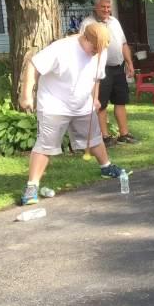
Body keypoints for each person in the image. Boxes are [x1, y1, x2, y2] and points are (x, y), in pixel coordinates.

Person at [18, 23, 129, 205]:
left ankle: (106, 167)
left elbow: (97, 76)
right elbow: (33, 65)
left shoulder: (100, 51)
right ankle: (32, 186)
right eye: (94, 49)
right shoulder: (62, 49)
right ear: (85, 38)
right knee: (46, 145)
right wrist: (26, 94)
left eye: (100, 50)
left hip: (82, 103)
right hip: (54, 104)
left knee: (94, 138)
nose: (96, 53)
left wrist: (95, 97)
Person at [80, 0, 138, 147]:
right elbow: (83, 47)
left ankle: (124, 134)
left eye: (108, 7)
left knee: (121, 101)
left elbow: (123, 44)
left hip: (118, 67)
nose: (106, 10)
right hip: (100, 70)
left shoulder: (114, 22)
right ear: (96, 7)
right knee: (102, 104)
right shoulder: (88, 23)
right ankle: (104, 137)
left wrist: (129, 63)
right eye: (103, 7)